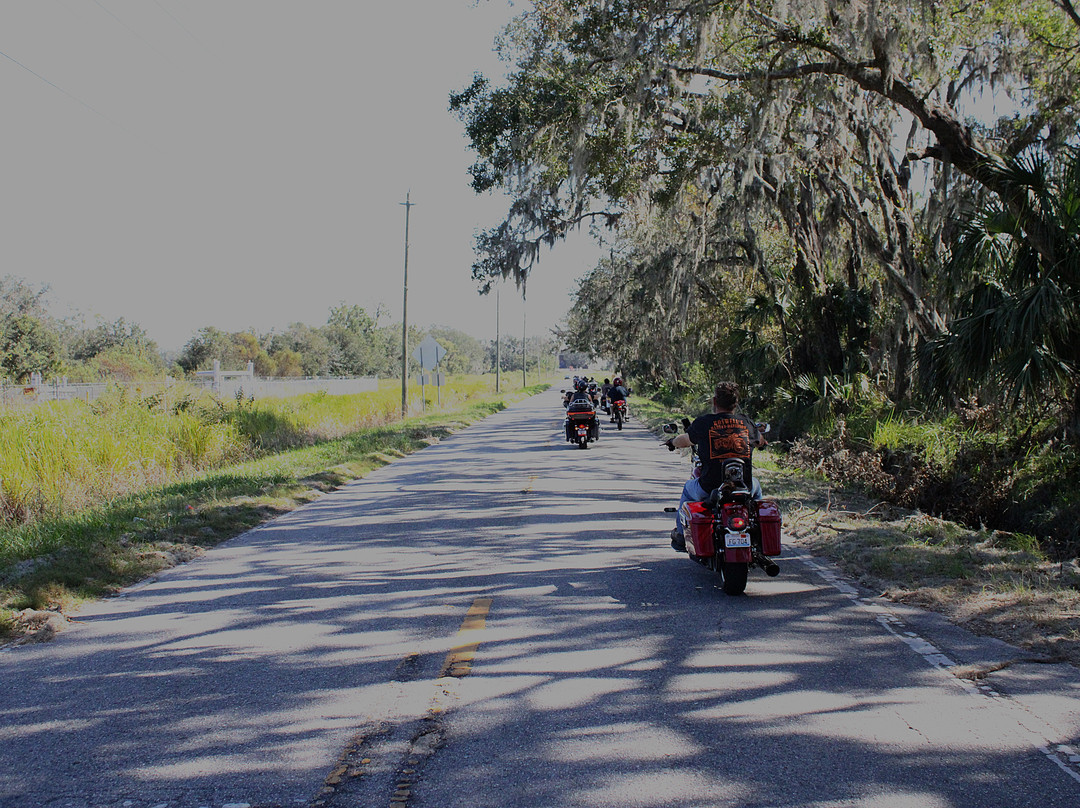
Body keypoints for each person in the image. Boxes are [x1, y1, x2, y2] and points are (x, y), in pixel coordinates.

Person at [665, 381, 766, 552]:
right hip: (743, 486)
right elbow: (760, 441)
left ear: (714, 401)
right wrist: (762, 442)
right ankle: (759, 530)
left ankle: (681, 534)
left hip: (709, 487)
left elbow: (685, 440)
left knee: (688, 489)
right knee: (756, 490)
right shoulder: (746, 422)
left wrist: (672, 442)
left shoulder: (704, 423)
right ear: (736, 403)